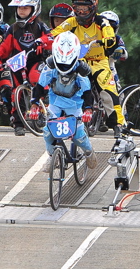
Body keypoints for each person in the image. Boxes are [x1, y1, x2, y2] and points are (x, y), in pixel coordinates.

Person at [50, 0, 124, 136]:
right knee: (62, 83)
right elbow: (55, 32)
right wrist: (43, 40)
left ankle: (118, 124)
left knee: (108, 90)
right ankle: (59, 117)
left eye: (85, 9)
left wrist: (108, 39)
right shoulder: (71, 22)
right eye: (78, 9)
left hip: (99, 61)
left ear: (93, 8)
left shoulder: (101, 21)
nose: (81, 12)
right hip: (77, 60)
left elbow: (109, 32)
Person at [28, 32, 97, 172]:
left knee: (78, 135)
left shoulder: (81, 71)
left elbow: (87, 92)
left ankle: (89, 152)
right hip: (55, 103)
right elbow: (40, 87)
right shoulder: (50, 67)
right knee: (48, 133)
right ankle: (52, 155)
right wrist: (34, 104)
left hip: (74, 104)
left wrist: (88, 109)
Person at [0, 0, 51, 136]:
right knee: (15, 93)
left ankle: (41, 108)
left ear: (34, 8)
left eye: (25, 8)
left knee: (36, 80)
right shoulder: (13, 29)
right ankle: (18, 123)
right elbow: (4, 46)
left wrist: (42, 42)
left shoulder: (40, 26)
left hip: (35, 61)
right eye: (19, 8)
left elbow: (51, 39)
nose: (22, 11)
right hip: (17, 64)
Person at [100, 10, 128, 93]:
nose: (108, 30)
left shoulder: (117, 39)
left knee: (117, 91)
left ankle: (120, 104)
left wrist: (121, 50)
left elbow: (125, 55)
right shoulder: (93, 37)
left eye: (111, 28)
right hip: (92, 66)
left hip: (109, 67)